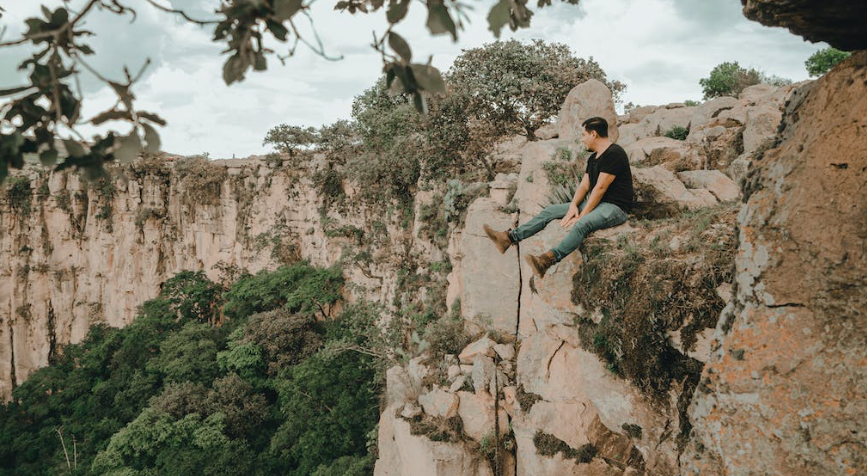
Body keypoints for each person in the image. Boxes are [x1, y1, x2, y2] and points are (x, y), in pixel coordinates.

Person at [483, 116, 634, 279]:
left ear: (593, 134)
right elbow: (585, 185)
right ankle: (509, 238)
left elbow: (600, 188)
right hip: (599, 204)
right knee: (550, 210)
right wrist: (573, 206)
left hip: (615, 208)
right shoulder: (594, 158)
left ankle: (546, 261)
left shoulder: (614, 153)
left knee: (582, 224)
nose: (582, 139)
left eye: (583, 135)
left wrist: (582, 215)